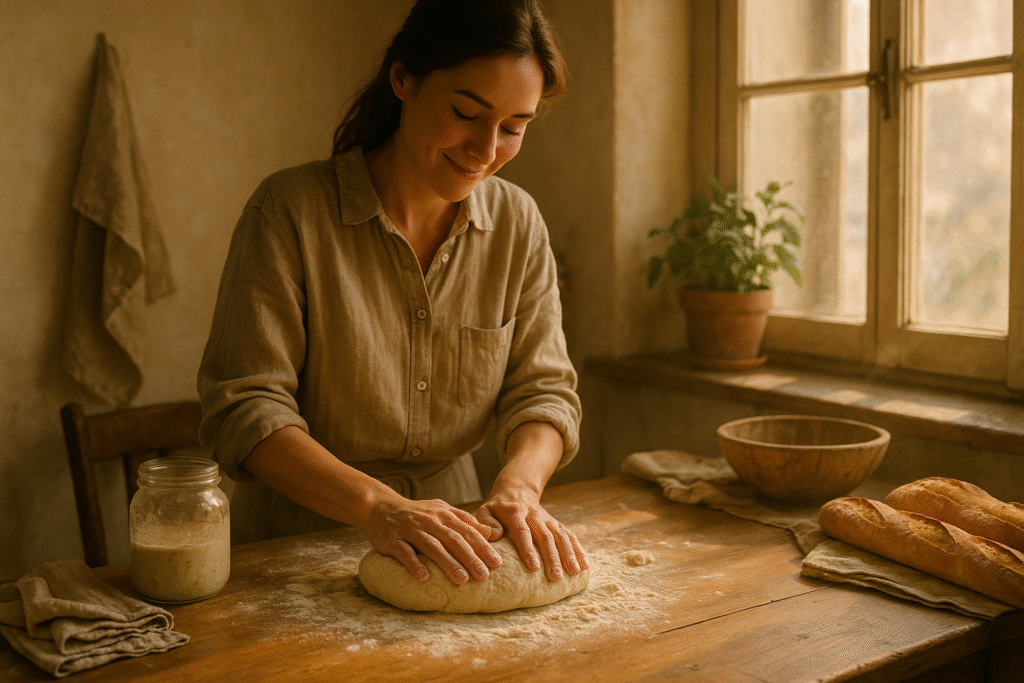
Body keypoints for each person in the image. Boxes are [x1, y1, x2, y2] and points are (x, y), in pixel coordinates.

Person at [197, 0, 586, 587]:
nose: (486, 152)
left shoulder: (518, 223)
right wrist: (377, 507)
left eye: (513, 128)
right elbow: (246, 409)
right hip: (293, 553)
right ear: (402, 79)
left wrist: (520, 486)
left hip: (456, 543)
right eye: (465, 112)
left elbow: (545, 391)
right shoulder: (289, 212)